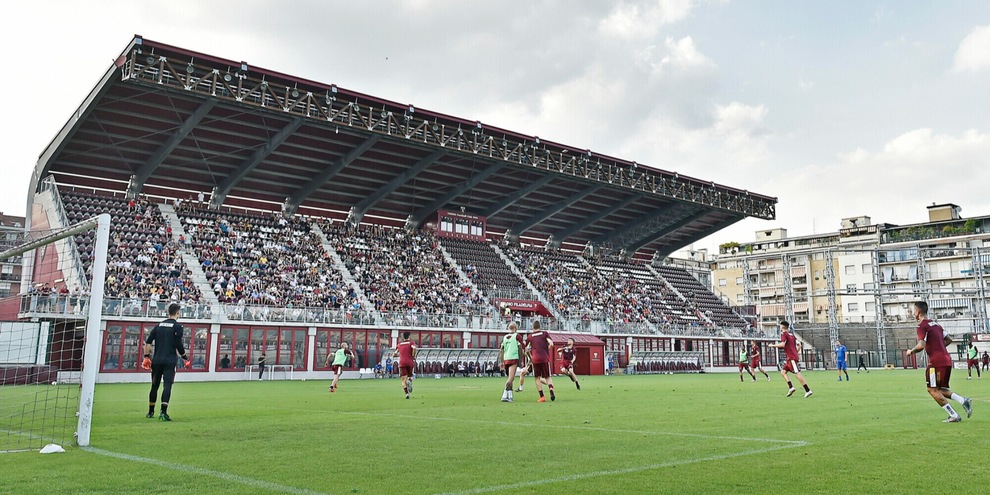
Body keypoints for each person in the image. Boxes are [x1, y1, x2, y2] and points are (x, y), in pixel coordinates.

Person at [906, 301, 972, 422]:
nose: (913, 313)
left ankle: (954, 415)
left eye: (913, 311)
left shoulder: (922, 326)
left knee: (931, 389)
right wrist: (939, 348)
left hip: (935, 362)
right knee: (939, 389)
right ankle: (963, 400)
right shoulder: (936, 325)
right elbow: (949, 339)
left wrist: (911, 351)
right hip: (946, 359)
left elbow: (921, 345)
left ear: (918, 312)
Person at [142, 303, 189, 421]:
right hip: (169, 360)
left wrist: (146, 356)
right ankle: (163, 412)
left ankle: (150, 411)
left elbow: (148, 342)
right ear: (178, 313)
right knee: (167, 385)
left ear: (169, 312)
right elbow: (178, 344)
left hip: (157, 360)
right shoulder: (178, 327)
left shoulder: (158, 326)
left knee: (154, 385)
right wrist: (185, 357)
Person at [768, 321, 812, 398]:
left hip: (791, 358)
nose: (779, 327)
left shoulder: (784, 334)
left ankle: (808, 390)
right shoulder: (791, 335)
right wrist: (795, 352)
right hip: (791, 358)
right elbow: (799, 345)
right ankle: (791, 387)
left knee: (797, 374)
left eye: (780, 325)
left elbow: (782, 344)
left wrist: (773, 345)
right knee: (783, 372)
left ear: (782, 326)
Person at [525, 320, 555, 402]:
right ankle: (551, 389)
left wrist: (530, 357)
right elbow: (551, 343)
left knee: (537, 378)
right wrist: (547, 349)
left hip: (535, 359)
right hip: (545, 358)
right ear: (540, 327)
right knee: (547, 377)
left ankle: (542, 397)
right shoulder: (545, 333)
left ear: (532, 327)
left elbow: (526, 349)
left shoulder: (530, 336)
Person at [499, 322, 523, 402]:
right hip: (513, 358)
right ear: (516, 328)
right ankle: (504, 394)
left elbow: (501, 350)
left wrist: (502, 361)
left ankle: (510, 396)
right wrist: (521, 360)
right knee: (511, 378)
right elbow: (520, 348)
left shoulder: (505, 337)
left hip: (506, 359)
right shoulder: (518, 336)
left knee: (510, 378)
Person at [393, 331, 417, 399]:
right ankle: (410, 381)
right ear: (409, 336)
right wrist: (413, 355)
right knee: (410, 376)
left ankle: (406, 394)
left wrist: (400, 355)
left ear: (403, 337)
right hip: (409, 362)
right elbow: (414, 348)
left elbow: (394, 354)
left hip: (402, 363)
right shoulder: (411, 343)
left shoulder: (399, 344)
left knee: (403, 380)